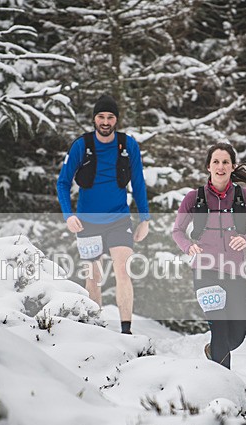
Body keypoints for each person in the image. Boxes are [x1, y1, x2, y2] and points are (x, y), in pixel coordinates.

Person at [57, 94, 151, 334]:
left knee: (123, 270)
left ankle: (126, 330)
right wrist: (68, 215)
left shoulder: (128, 145)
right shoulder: (82, 146)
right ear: (94, 119)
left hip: (119, 219)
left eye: (110, 117)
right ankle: (96, 330)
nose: (106, 122)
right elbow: (63, 182)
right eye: (101, 117)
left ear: (116, 120)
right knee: (93, 276)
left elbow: (138, 182)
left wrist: (145, 219)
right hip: (87, 222)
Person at [172, 142, 246, 369]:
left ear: (232, 166)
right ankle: (224, 382)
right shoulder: (194, 198)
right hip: (205, 271)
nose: (220, 166)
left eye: (225, 162)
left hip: (234, 271)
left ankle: (213, 351)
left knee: (238, 334)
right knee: (220, 328)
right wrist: (188, 247)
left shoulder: (244, 197)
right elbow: (177, 231)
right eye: (216, 162)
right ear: (208, 166)